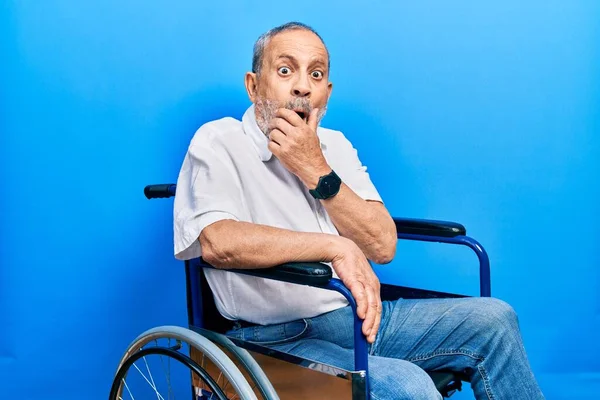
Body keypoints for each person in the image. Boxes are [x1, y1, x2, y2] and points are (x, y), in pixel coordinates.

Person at [173, 21, 544, 400]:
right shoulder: (219, 140)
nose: (302, 86)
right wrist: (335, 247)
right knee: (408, 386)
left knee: (494, 320)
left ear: (326, 93)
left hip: (355, 317)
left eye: (315, 74)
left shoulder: (334, 146)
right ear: (254, 86)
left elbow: (382, 245)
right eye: (285, 71)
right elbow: (218, 241)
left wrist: (315, 167)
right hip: (273, 336)